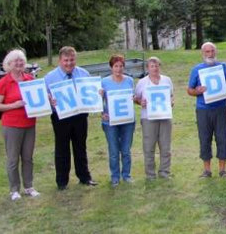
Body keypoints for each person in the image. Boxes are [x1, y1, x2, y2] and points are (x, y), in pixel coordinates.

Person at [44, 46, 97, 190]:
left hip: (80, 115)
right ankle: (62, 182)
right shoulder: (49, 78)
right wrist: (49, 100)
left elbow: (92, 93)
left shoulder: (84, 74)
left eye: (72, 60)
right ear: (60, 60)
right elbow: (43, 99)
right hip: (60, 117)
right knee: (62, 148)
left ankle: (84, 177)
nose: (69, 63)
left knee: (80, 146)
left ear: (75, 59)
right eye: (66, 60)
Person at [0, 49, 40, 200]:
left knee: (28, 157)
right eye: (15, 61)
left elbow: (37, 99)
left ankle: (28, 186)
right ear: (9, 64)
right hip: (11, 125)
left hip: (29, 123)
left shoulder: (29, 79)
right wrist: (15, 105)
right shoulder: (3, 83)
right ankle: (14, 189)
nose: (19, 63)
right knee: (13, 159)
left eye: (21, 60)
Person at [187, 42, 226, 178]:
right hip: (203, 109)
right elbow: (189, 90)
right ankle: (207, 170)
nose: (210, 54)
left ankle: (223, 170)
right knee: (205, 138)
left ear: (216, 52)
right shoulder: (196, 69)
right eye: (207, 52)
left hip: (220, 108)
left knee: (222, 138)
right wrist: (197, 90)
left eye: (212, 51)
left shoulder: (223, 67)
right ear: (203, 53)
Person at [100, 55, 137, 186]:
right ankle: (115, 176)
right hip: (110, 122)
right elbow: (98, 101)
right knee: (114, 151)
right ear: (111, 67)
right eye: (116, 66)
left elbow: (133, 97)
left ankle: (126, 175)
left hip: (127, 120)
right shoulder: (104, 82)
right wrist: (102, 113)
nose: (119, 69)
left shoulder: (129, 81)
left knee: (126, 150)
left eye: (121, 66)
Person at [134, 56, 174, 179]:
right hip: (148, 118)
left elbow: (171, 95)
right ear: (148, 68)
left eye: (157, 65)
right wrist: (141, 102)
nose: (155, 68)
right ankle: (150, 174)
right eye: (152, 66)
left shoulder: (167, 80)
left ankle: (164, 172)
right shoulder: (142, 82)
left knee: (165, 146)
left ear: (159, 67)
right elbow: (136, 98)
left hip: (165, 117)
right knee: (149, 146)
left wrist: (171, 102)